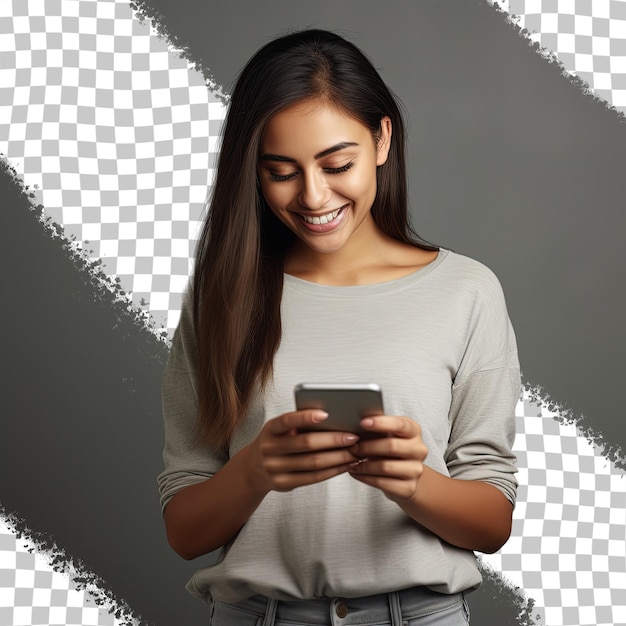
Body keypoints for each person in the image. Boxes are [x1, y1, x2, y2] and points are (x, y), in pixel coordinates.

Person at [158, 28, 519, 626]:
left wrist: (412, 484)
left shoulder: (466, 291)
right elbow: (183, 530)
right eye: (281, 171)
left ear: (381, 139)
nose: (313, 195)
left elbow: (492, 522)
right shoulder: (223, 296)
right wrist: (256, 470)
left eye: (337, 163)